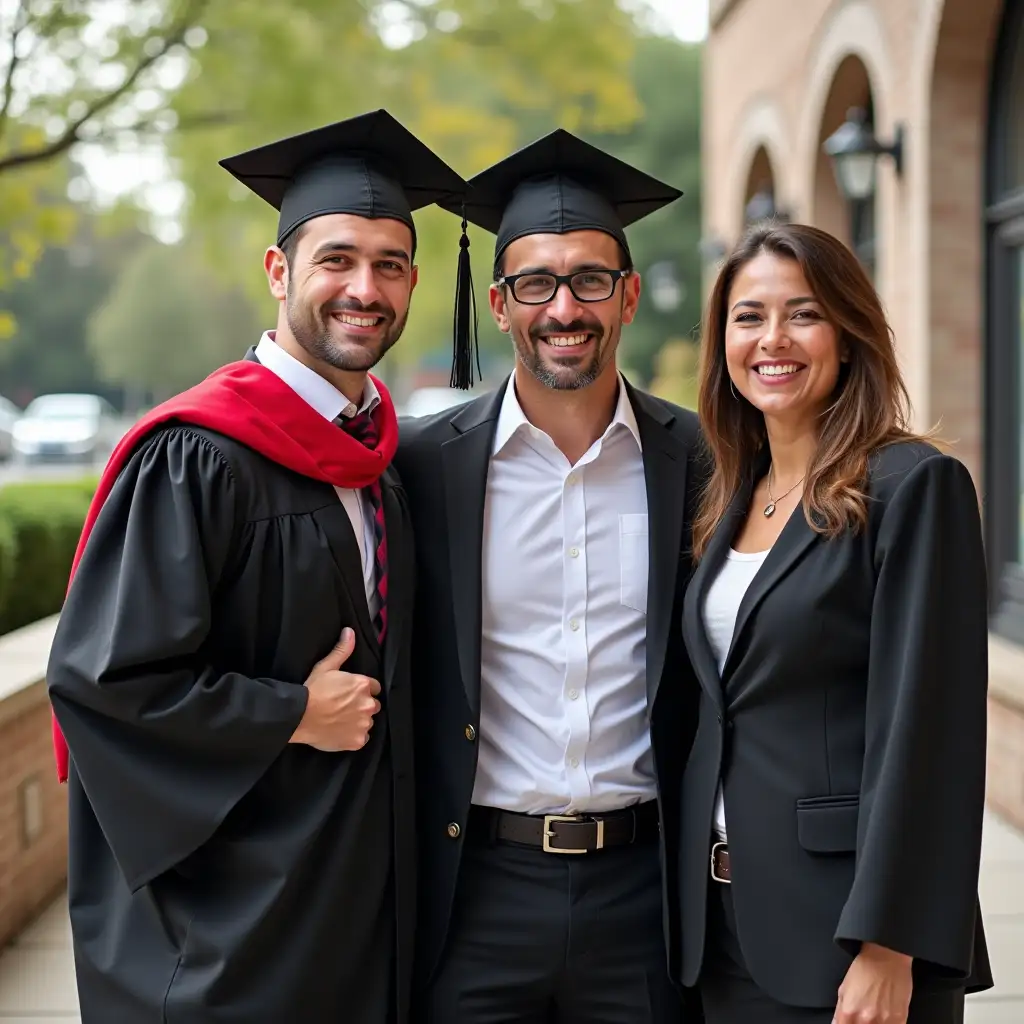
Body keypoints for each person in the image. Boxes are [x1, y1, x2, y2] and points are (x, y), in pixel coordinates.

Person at [45, 109, 468, 1024]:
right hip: (230, 931)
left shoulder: (383, 463)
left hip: (358, 914)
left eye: (389, 264)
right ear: (279, 272)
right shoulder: (200, 457)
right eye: (337, 259)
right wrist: (290, 713)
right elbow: (103, 685)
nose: (365, 288)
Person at [394, 129, 705, 1023]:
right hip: (475, 893)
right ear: (498, 303)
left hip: (645, 897)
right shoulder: (421, 468)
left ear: (630, 296)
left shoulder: (703, 462)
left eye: (590, 281)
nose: (563, 308)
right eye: (536, 283)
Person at [675, 222, 993, 1024]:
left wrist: (889, 943)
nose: (771, 339)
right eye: (747, 317)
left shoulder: (911, 487)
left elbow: (929, 734)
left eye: (803, 313)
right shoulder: (729, 498)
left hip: (844, 937)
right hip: (721, 931)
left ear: (848, 335)